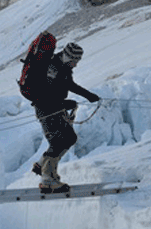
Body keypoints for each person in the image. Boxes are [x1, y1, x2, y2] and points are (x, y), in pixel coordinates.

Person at [30, 42, 100, 193]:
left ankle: (42, 166)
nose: (75, 65)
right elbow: (47, 93)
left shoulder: (63, 67)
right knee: (59, 141)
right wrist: (63, 102)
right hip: (47, 110)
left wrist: (89, 96)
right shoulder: (53, 68)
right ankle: (48, 180)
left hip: (55, 108)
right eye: (75, 61)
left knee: (69, 138)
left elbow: (69, 84)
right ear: (69, 57)